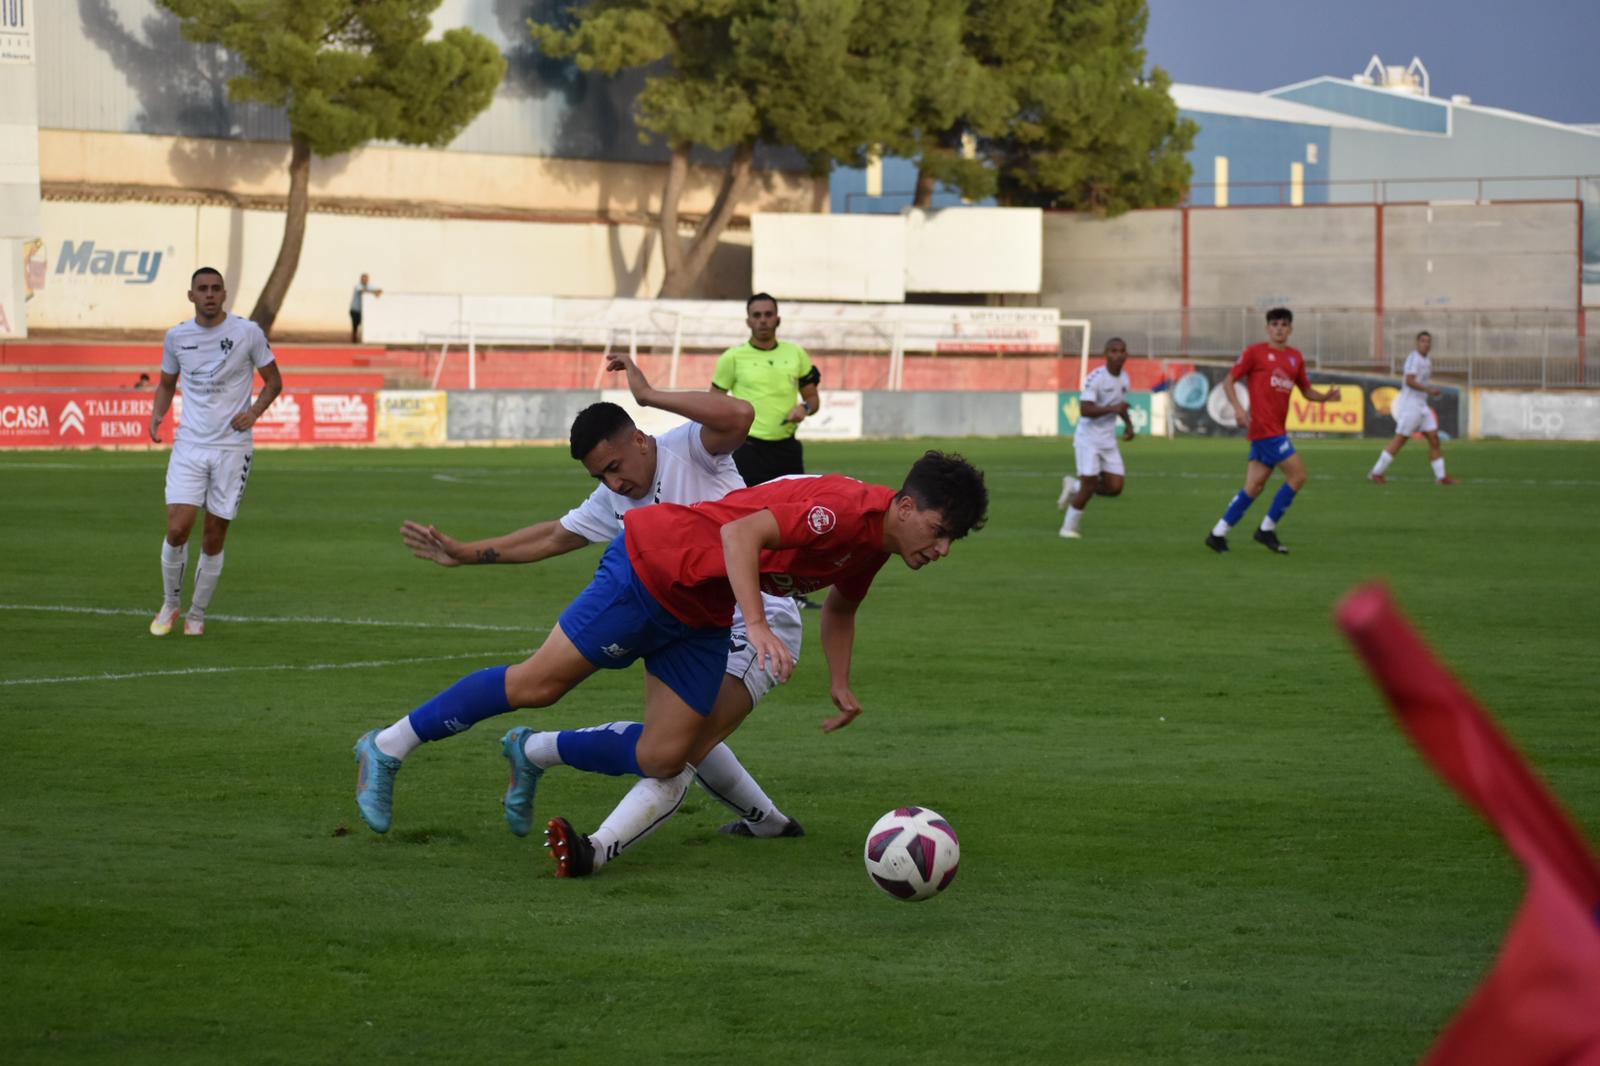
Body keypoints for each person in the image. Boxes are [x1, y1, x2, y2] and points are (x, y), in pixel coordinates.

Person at [361, 450, 988, 879]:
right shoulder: (842, 510)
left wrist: (842, 683)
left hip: (704, 609)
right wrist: (761, 623)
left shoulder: (875, 542)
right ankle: (389, 745)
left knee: (667, 756)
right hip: (654, 567)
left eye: (951, 539)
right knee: (537, 685)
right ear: (905, 506)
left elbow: (842, 609)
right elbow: (740, 537)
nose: (942, 549)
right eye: (938, 530)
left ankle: (531, 753)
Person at [361, 352, 807, 857]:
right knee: (588, 707)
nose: (613, 484)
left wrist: (650, 396)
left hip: (753, 623)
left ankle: (552, 775)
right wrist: (467, 554)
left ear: (641, 438)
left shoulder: (692, 448)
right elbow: (554, 535)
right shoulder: (616, 497)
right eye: (601, 476)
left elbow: (740, 416)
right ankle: (416, 747)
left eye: (615, 467)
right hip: (675, 617)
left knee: (676, 747)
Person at [147, 267, 283, 636]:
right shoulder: (176, 337)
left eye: (215, 288)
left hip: (232, 448)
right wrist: (157, 414)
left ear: (224, 295)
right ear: (191, 296)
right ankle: (170, 604)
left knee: (213, 536)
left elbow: (274, 382)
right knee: (177, 529)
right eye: (202, 289)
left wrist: (253, 413)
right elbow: (165, 383)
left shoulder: (247, 333)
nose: (209, 294)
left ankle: (197, 613)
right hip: (190, 444)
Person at [712, 293, 823, 608]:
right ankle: (743, 587)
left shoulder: (796, 354)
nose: (762, 320)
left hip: (786, 449)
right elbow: (714, 400)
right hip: (747, 448)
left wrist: (804, 408)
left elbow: (813, 398)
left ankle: (792, 592)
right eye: (757, 315)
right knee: (745, 517)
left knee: (794, 520)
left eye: (768, 314)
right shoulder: (732, 358)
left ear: (778, 319)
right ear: (748, 320)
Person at [1204, 307, 1341, 556]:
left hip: (1273, 429)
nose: (1279, 328)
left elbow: (1306, 390)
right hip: (1266, 429)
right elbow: (1228, 380)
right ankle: (1266, 529)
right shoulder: (1255, 353)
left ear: (1290, 329)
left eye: (1284, 324)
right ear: (1267, 328)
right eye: (1275, 324)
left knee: (1254, 487)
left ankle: (1217, 534)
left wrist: (1326, 398)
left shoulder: (1295, 358)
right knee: (1298, 476)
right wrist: (1238, 409)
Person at [1056, 338, 1135, 539]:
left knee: (1115, 487)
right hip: (1088, 439)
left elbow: (1121, 405)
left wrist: (1128, 425)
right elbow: (1084, 409)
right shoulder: (1096, 378)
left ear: (1126, 354)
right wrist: (1113, 409)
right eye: (1114, 351)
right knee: (1090, 484)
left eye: (1122, 351)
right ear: (1106, 354)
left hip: (1108, 440)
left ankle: (1074, 486)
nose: (1118, 355)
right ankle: (1068, 528)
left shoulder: (1125, 378)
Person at [1369, 331, 1458, 485]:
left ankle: (1441, 477)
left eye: (1428, 341)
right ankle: (1376, 472)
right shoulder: (1413, 358)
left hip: (1422, 406)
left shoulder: (1427, 360)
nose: (1426, 344)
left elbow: (1420, 382)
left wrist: (1428, 391)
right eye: (1423, 341)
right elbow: (1409, 381)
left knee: (1434, 438)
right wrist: (1429, 390)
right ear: (1417, 343)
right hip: (1409, 406)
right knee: (1401, 440)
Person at [350, 273, 382, 342]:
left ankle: (363, 337)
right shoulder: (358, 286)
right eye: (363, 279)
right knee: (355, 324)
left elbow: (379, 290)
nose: (364, 280)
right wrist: (374, 292)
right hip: (355, 309)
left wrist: (378, 292)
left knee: (363, 323)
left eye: (366, 279)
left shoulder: (369, 286)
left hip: (362, 310)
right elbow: (362, 291)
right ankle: (354, 338)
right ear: (361, 279)